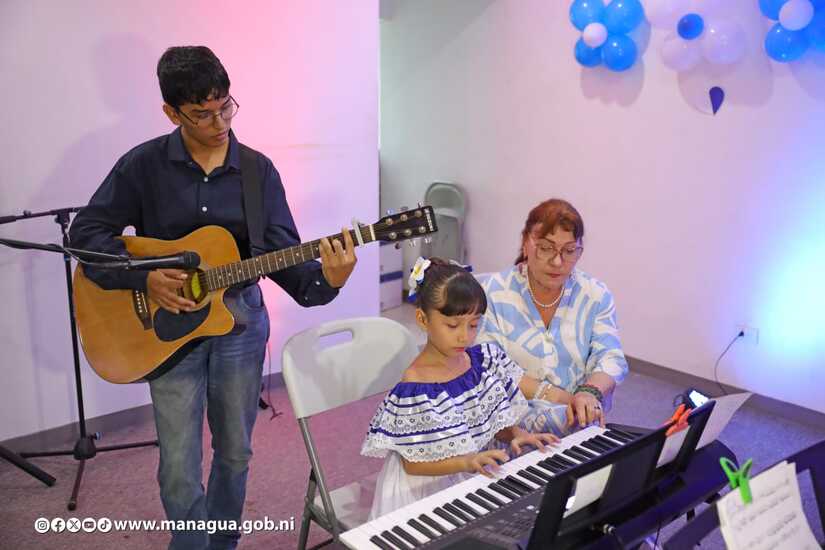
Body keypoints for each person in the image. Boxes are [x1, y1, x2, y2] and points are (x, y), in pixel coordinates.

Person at [69, 46, 357, 550]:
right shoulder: (143, 166)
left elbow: (286, 257)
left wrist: (329, 279)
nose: (219, 121)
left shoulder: (257, 172)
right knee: (179, 465)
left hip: (239, 327)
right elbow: (86, 233)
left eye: (225, 106)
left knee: (235, 453)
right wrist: (145, 278)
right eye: (202, 113)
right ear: (171, 112)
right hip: (164, 331)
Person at [361, 258, 558, 519]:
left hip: (467, 471)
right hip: (423, 489)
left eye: (474, 324)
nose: (465, 336)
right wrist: (466, 462)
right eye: (453, 325)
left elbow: (487, 417)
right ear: (422, 318)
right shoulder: (416, 386)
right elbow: (413, 464)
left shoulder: (479, 361)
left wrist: (516, 434)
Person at [476, 198, 628, 438]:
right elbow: (486, 367)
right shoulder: (493, 293)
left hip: (576, 425)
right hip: (511, 431)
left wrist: (589, 393)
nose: (557, 262)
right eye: (546, 248)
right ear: (526, 243)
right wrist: (558, 397)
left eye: (569, 251)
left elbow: (610, 358)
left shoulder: (594, 295)